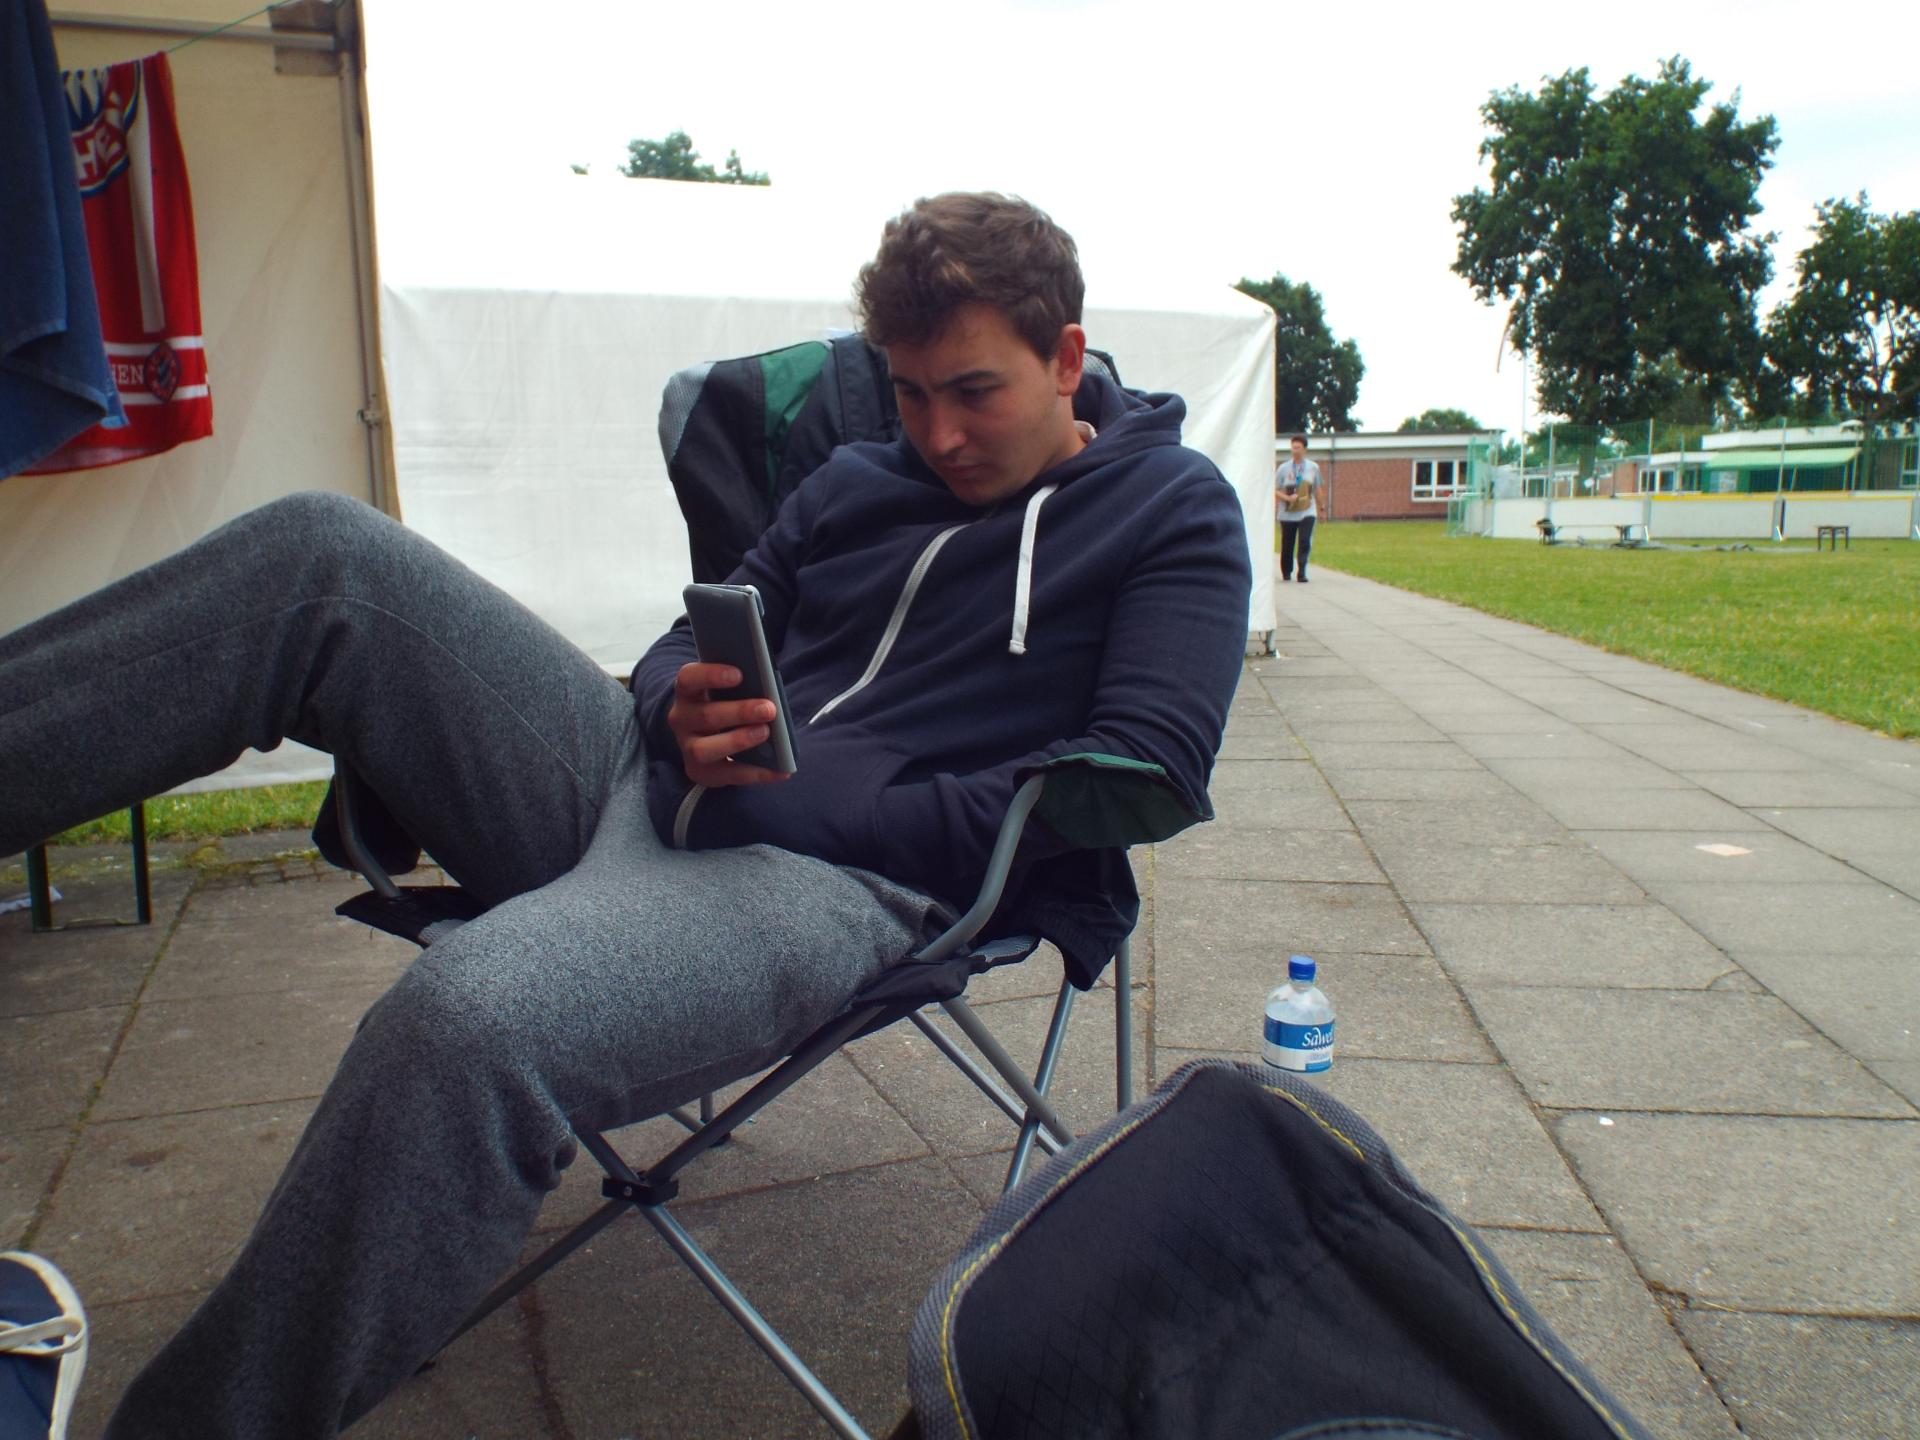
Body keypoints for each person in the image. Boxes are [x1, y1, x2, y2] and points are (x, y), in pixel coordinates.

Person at [0, 192, 1251, 1438]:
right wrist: (675, 705)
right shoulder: (858, 477)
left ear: (1065, 359)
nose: (938, 433)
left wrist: (816, 800)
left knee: (472, 1019)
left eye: (974, 392)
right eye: (911, 393)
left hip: (837, 884)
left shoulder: (1170, 509)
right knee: (324, 559)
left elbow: (1140, 771)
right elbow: (676, 641)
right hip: (634, 780)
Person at [1275, 432, 1319, 581]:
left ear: (1304, 449)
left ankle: (1302, 571)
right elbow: (1274, 489)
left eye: (1298, 448)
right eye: (1293, 448)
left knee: (1305, 541)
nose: (1295, 451)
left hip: (1307, 511)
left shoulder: (1313, 467)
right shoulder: (1283, 468)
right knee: (1288, 543)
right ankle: (1286, 571)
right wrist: (1287, 498)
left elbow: (1317, 488)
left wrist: (1322, 507)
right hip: (1287, 513)